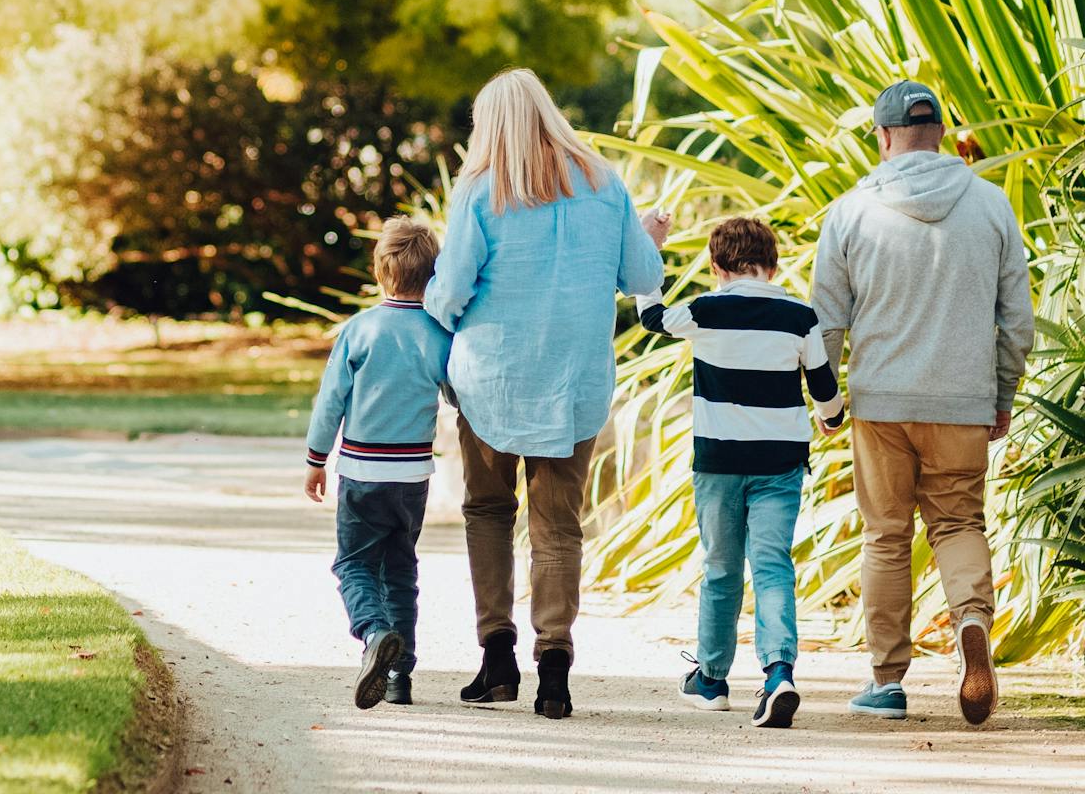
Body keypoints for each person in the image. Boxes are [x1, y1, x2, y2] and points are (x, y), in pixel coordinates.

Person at [424, 67, 663, 719]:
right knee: (558, 525)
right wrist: (649, 238)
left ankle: (497, 657)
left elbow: (451, 289)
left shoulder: (480, 189)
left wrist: (433, 307)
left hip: (491, 381)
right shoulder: (604, 183)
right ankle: (554, 669)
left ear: (491, 126)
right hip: (573, 383)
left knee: (488, 511)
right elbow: (641, 274)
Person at [811, 80, 1033, 726]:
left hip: (881, 403)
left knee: (886, 535)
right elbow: (1017, 321)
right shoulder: (991, 205)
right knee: (959, 523)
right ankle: (971, 621)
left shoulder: (851, 210)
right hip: (962, 401)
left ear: (883, 136)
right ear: (941, 134)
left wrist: (826, 401)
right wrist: (1001, 394)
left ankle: (886, 681)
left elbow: (827, 321)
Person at [634, 215, 845, 729]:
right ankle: (778, 674)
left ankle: (711, 681)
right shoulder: (799, 316)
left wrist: (648, 246)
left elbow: (651, 315)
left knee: (721, 568)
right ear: (772, 264)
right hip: (780, 462)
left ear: (716, 266)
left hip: (720, 462)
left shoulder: (705, 311)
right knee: (772, 566)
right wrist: (832, 418)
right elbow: (823, 388)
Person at [303, 216, 451, 711]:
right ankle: (399, 676)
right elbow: (457, 392)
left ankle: (373, 633)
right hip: (412, 477)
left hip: (362, 473)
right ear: (432, 274)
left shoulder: (359, 330)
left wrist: (316, 458)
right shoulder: (438, 333)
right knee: (401, 571)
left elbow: (331, 400)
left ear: (380, 271)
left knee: (353, 563)